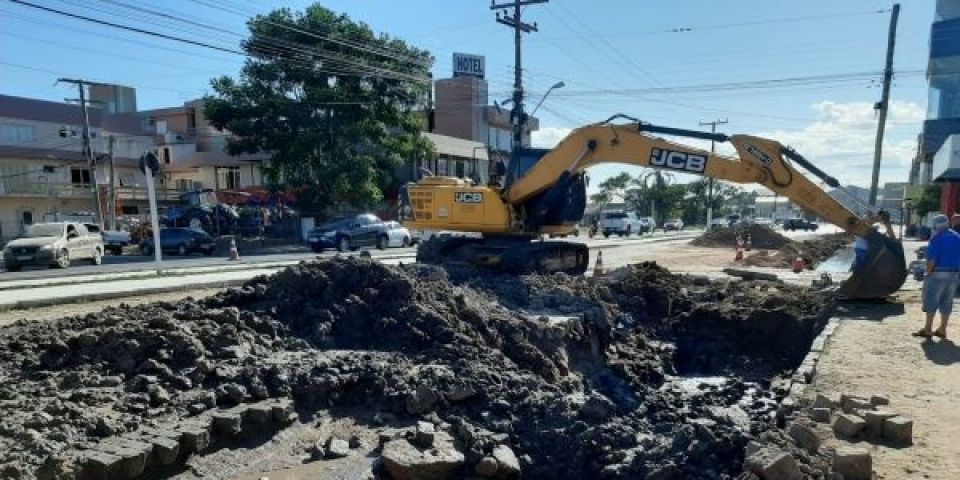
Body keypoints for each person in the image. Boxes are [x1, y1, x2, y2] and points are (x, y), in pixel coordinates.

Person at [913, 214, 960, 339]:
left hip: (938, 273)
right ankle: (942, 329)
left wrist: (927, 273)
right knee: (947, 301)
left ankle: (928, 329)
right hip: (955, 274)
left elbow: (931, 261)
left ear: (935, 226)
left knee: (931, 300)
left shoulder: (936, 239)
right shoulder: (957, 237)